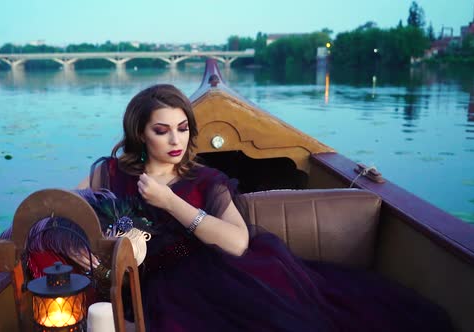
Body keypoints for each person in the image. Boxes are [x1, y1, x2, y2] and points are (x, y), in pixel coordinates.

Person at [77, 84, 451, 331]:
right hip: (132, 280)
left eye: (183, 128)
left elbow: (237, 243)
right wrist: (87, 246)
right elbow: (64, 207)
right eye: (162, 131)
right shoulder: (110, 172)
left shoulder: (206, 180)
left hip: (204, 277)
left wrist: (170, 202)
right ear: (140, 133)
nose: (176, 139)